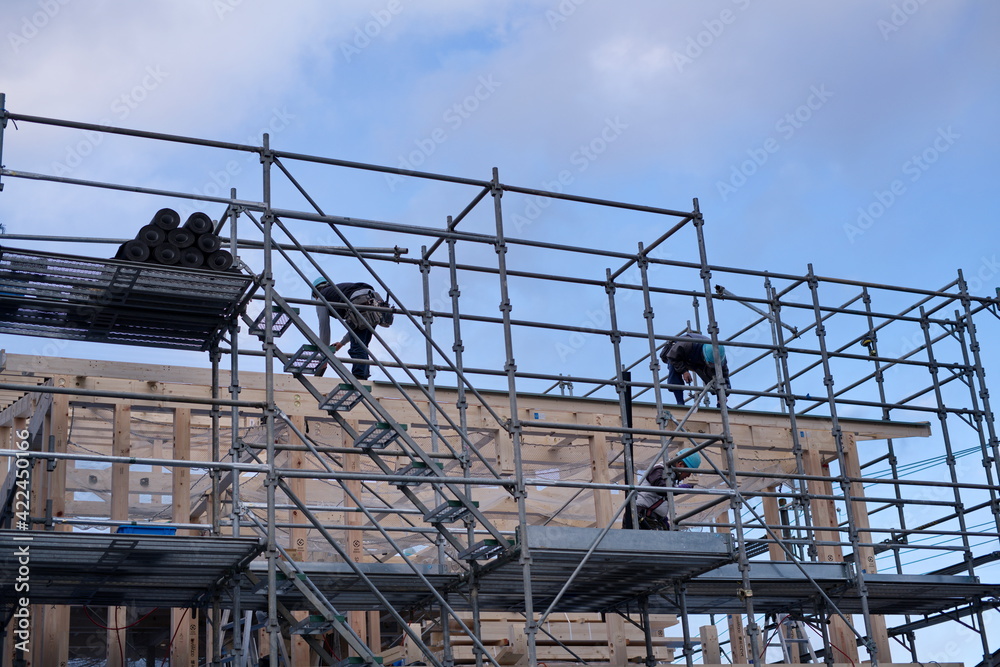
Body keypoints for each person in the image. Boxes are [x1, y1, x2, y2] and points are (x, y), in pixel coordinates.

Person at [313, 277, 393, 380]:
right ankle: (363, 377)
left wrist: (324, 354)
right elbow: (355, 326)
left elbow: (324, 326)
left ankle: (359, 378)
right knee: (361, 345)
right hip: (373, 302)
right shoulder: (340, 290)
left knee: (357, 348)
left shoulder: (321, 297)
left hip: (358, 302)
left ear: (315, 293)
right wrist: (342, 343)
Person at [622, 449, 701, 530]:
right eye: (689, 472)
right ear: (680, 464)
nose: (688, 476)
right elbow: (661, 489)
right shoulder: (659, 469)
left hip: (651, 519)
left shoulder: (670, 476)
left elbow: (660, 499)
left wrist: (664, 522)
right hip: (640, 518)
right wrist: (680, 488)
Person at [660, 332, 730, 405]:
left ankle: (721, 404)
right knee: (674, 369)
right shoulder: (686, 344)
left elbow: (724, 376)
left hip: (695, 358)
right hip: (678, 354)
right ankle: (680, 402)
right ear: (705, 356)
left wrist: (723, 393)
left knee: (716, 377)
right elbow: (672, 357)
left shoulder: (720, 358)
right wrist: (684, 371)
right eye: (710, 363)